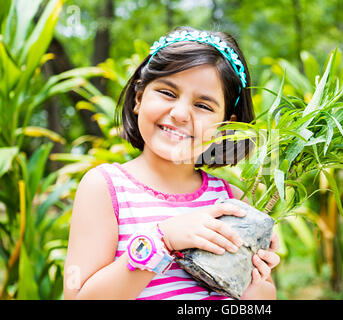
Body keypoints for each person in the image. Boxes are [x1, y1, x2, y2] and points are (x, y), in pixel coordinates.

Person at [64, 26, 280, 300]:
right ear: (139, 97)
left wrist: (258, 284)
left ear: (226, 127)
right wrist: (163, 240)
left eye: (203, 106)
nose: (179, 114)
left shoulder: (231, 202)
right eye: (167, 92)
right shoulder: (105, 189)